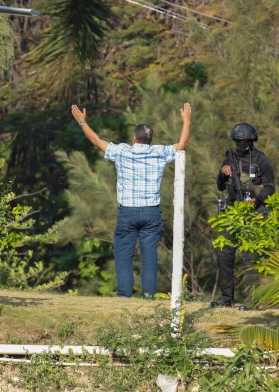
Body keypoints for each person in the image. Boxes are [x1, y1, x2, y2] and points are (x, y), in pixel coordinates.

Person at [71, 103, 192, 298]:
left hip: (128, 211)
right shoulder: (159, 152)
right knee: (149, 258)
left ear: (134, 138)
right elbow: (182, 145)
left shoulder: (122, 151)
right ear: (149, 140)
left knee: (124, 256)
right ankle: (148, 297)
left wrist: (82, 122)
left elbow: (95, 140)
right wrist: (186, 121)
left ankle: (124, 296)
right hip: (151, 212)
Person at [211, 122, 276, 309]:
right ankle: (226, 297)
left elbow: (270, 187)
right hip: (232, 213)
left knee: (251, 256)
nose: (240, 144)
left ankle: (253, 300)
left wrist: (256, 201)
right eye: (237, 141)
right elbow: (220, 186)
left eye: (244, 141)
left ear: (251, 140)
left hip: (254, 213)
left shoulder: (261, 160)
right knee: (224, 253)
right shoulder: (229, 159)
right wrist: (223, 174)